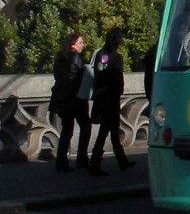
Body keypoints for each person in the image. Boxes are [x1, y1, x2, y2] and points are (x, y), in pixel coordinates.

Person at [89, 28, 135, 176]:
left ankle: (122, 161)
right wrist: (119, 91)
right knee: (106, 131)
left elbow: (97, 74)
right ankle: (95, 163)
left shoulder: (100, 55)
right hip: (111, 98)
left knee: (112, 131)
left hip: (100, 97)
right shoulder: (117, 57)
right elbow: (117, 79)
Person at [50, 32, 92, 172]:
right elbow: (84, 76)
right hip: (75, 100)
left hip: (60, 98)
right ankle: (82, 158)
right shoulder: (76, 58)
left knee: (67, 130)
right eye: (80, 42)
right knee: (85, 127)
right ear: (73, 44)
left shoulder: (59, 58)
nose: (82, 45)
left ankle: (61, 161)